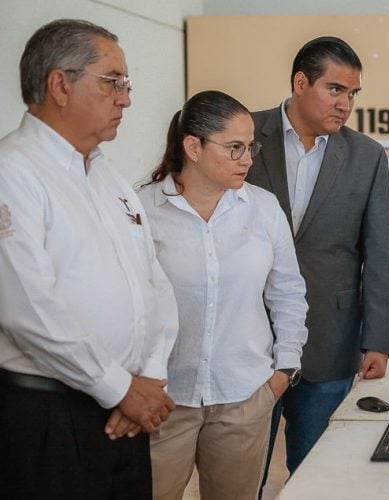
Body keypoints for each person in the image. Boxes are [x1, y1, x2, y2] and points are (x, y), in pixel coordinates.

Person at [0, 19, 178, 499]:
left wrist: (150, 377)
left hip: (125, 411)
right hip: (49, 417)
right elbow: (28, 309)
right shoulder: (12, 172)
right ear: (60, 84)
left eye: (126, 84)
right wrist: (120, 388)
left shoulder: (108, 178)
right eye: (112, 82)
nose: (126, 98)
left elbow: (154, 284)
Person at [138, 90, 308, 500]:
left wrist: (284, 370)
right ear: (192, 146)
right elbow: (126, 304)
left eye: (250, 147)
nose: (247, 159)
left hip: (244, 396)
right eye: (234, 148)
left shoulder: (263, 209)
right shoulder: (141, 208)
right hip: (164, 399)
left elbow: (287, 291)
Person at [247, 36, 389, 481]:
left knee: (316, 471)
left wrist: (378, 339)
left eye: (352, 94)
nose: (345, 104)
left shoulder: (366, 156)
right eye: (335, 89)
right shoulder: (244, 137)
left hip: (330, 337)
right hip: (245, 334)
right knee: (243, 472)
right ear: (300, 82)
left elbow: (382, 252)